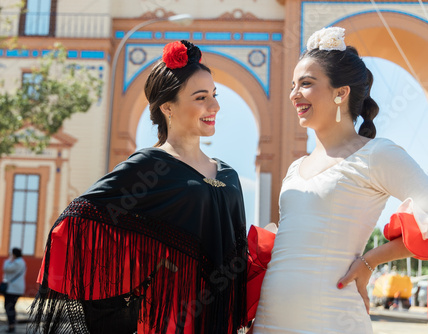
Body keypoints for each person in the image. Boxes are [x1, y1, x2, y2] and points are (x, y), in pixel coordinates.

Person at [29, 40, 249, 334]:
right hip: (170, 318)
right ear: (168, 107)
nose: (215, 106)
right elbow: (79, 219)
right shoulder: (150, 166)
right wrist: (139, 277)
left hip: (219, 320)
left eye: (214, 94)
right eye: (200, 97)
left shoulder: (229, 175)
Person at [253, 27, 428, 333]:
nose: (294, 94)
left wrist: (371, 260)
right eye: (293, 85)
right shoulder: (296, 167)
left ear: (340, 92)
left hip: (332, 317)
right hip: (270, 318)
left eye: (306, 84)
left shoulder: (376, 154)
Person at [3, 247, 26, 333]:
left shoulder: (17, 263)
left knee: (9, 307)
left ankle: (11, 325)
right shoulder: (22, 262)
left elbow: (6, 268)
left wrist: (9, 259)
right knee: (11, 307)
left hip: (13, 289)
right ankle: (12, 325)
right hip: (17, 288)